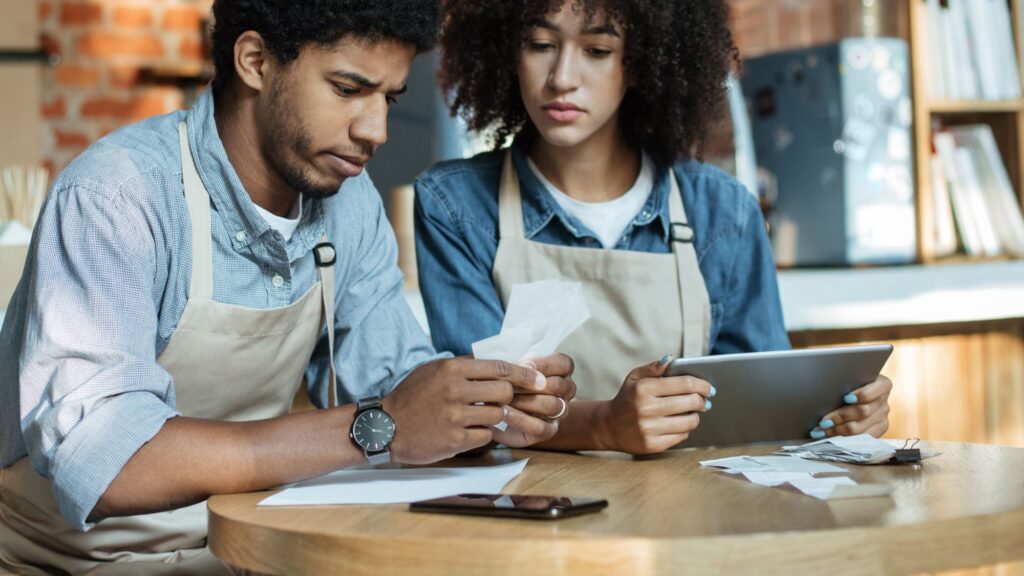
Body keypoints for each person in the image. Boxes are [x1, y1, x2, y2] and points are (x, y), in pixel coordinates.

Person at [0, 1, 575, 573]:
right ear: (254, 61)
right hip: (67, 563)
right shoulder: (118, 198)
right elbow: (104, 463)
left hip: (245, 553)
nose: (375, 131)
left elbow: (395, 381)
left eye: (389, 98)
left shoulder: (349, 203)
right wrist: (382, 426)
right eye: (349, 89)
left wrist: (480, 406)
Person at [414, 0, 892, 455]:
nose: (561, 78)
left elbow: (762, 408)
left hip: (685, 518)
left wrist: (836, 418)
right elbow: (479, 411)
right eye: (540, 44)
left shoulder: (723, 212)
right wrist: (604, 424)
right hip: (534, 517)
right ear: (504, 49)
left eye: (597, 51)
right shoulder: (455, 206)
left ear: (641, 62)